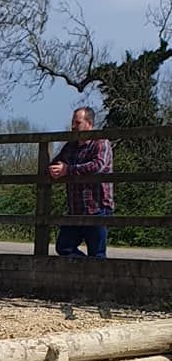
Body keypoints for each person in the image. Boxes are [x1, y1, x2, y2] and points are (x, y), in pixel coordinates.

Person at [48, 107, 114, 258]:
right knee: (64, 247)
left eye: (77, 123)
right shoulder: (70, 146)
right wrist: (53, 170)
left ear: (89, 124)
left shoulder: (101, 143)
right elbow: (57, 163)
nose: (73, 126)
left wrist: (68, 170)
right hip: (75, 208)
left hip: (97, 208)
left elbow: (98, 166)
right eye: (73, 122)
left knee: (97, 254)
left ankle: (96, 279)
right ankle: (84, 272)